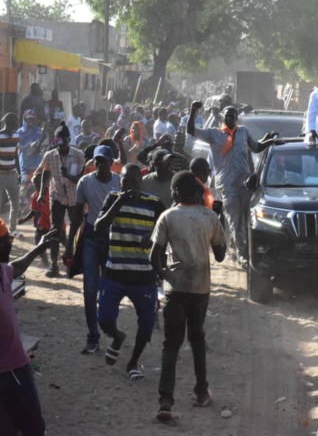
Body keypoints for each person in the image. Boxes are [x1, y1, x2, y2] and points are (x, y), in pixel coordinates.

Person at [150, 171, 226, 423]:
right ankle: (202, 392)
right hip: (199, 288)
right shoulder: (210, 217)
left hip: (175, 288)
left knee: (171, 345)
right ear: (197, 193)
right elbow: (221, 255)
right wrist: (219, 217)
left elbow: (154, 256)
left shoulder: (167, 217)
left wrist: (163, 275)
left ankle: (165, 402)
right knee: (197, 339)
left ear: (174, 194)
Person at [188, 101, 284, 265]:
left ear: (237, 118)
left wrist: (270, 141)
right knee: (234, 216)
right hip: (226, 182)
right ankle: (242, 253)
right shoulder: (214, 134)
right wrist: (193, 111)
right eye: (227, 116)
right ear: (223, 118)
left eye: (233, 116)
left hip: (244, 181)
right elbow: (191, 131)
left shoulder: (243, 132)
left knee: (246, 216)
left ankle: (246, 247)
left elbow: (255, 147)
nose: (230, 119)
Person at [95, 164, 165, 380]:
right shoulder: (113, 198)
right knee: (104, 319)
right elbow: (98, 227)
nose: (129, 187)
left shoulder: (154, 204)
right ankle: (117, 337)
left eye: (134, 182)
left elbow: (166, 233)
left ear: (141, 183)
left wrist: (153, 238)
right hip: (114, 273)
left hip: (144, 277)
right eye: (126, 182)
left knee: (145, 325)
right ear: (121, 182)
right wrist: (118, 202)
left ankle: (133, 362)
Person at [0, 220, 58, 436]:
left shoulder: (2, 271)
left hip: (12, 369)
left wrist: (38, 248)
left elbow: (16, 267)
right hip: (11, 370)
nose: (9, 244)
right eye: (6, 240)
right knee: (33, 428)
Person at [65, 145, 121, 354]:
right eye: (97, 161)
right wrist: (69, 246)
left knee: (109, 289)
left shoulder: (118, 181)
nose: (100, 165)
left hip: (111, 239)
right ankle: (93, 336)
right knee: (90, 290)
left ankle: (110, 331)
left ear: (111, 162)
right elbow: (77, 217)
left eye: (104, 161)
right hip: (90, 237)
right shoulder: (85, 183)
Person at [36, 122, 85, 277]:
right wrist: (41, 192)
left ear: (68, 140)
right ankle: (54, 265)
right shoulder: (50, 155)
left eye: (62, 144)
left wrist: (68, 175)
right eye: (57, 144)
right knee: (55, 230)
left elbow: (80, 179)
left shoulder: (78, 155)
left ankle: (73, 264)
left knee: (75, 232)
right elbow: (45, 172)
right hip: (56, 195)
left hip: (73, 197)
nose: (60, 148)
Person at [18, 172, 54, 266]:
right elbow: (33, 211)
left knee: (59, 242)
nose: (37, 185)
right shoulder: (35, 196)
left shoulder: (52, 193)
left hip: (54, 221)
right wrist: (24, 220)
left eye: (39, 183)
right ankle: (45, 261)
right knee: (38, 241)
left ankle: (67, 260)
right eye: (36, 183)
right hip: (42, 222)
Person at [17, 110, 46, 207]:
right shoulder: (20, 132)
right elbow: (19, 147)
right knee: (24, 184)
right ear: (24, 120)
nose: (30, 122)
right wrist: (29, 148)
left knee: (36, 184)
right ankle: (23, 206)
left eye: (32, 120)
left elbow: (45, 145)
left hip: (36, 162)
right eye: (28, 119)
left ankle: (35, 206)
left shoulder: (40, 131)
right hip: (25, 163)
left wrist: (40, 143)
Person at [0, 113, 21, 233]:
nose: (16, 123)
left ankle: (12, 229)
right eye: (14, 121)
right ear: (8, 122)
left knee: (15, 203)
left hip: (12, 174)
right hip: (0, 174)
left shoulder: (16, 136)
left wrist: (19, 173)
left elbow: (16, 155)